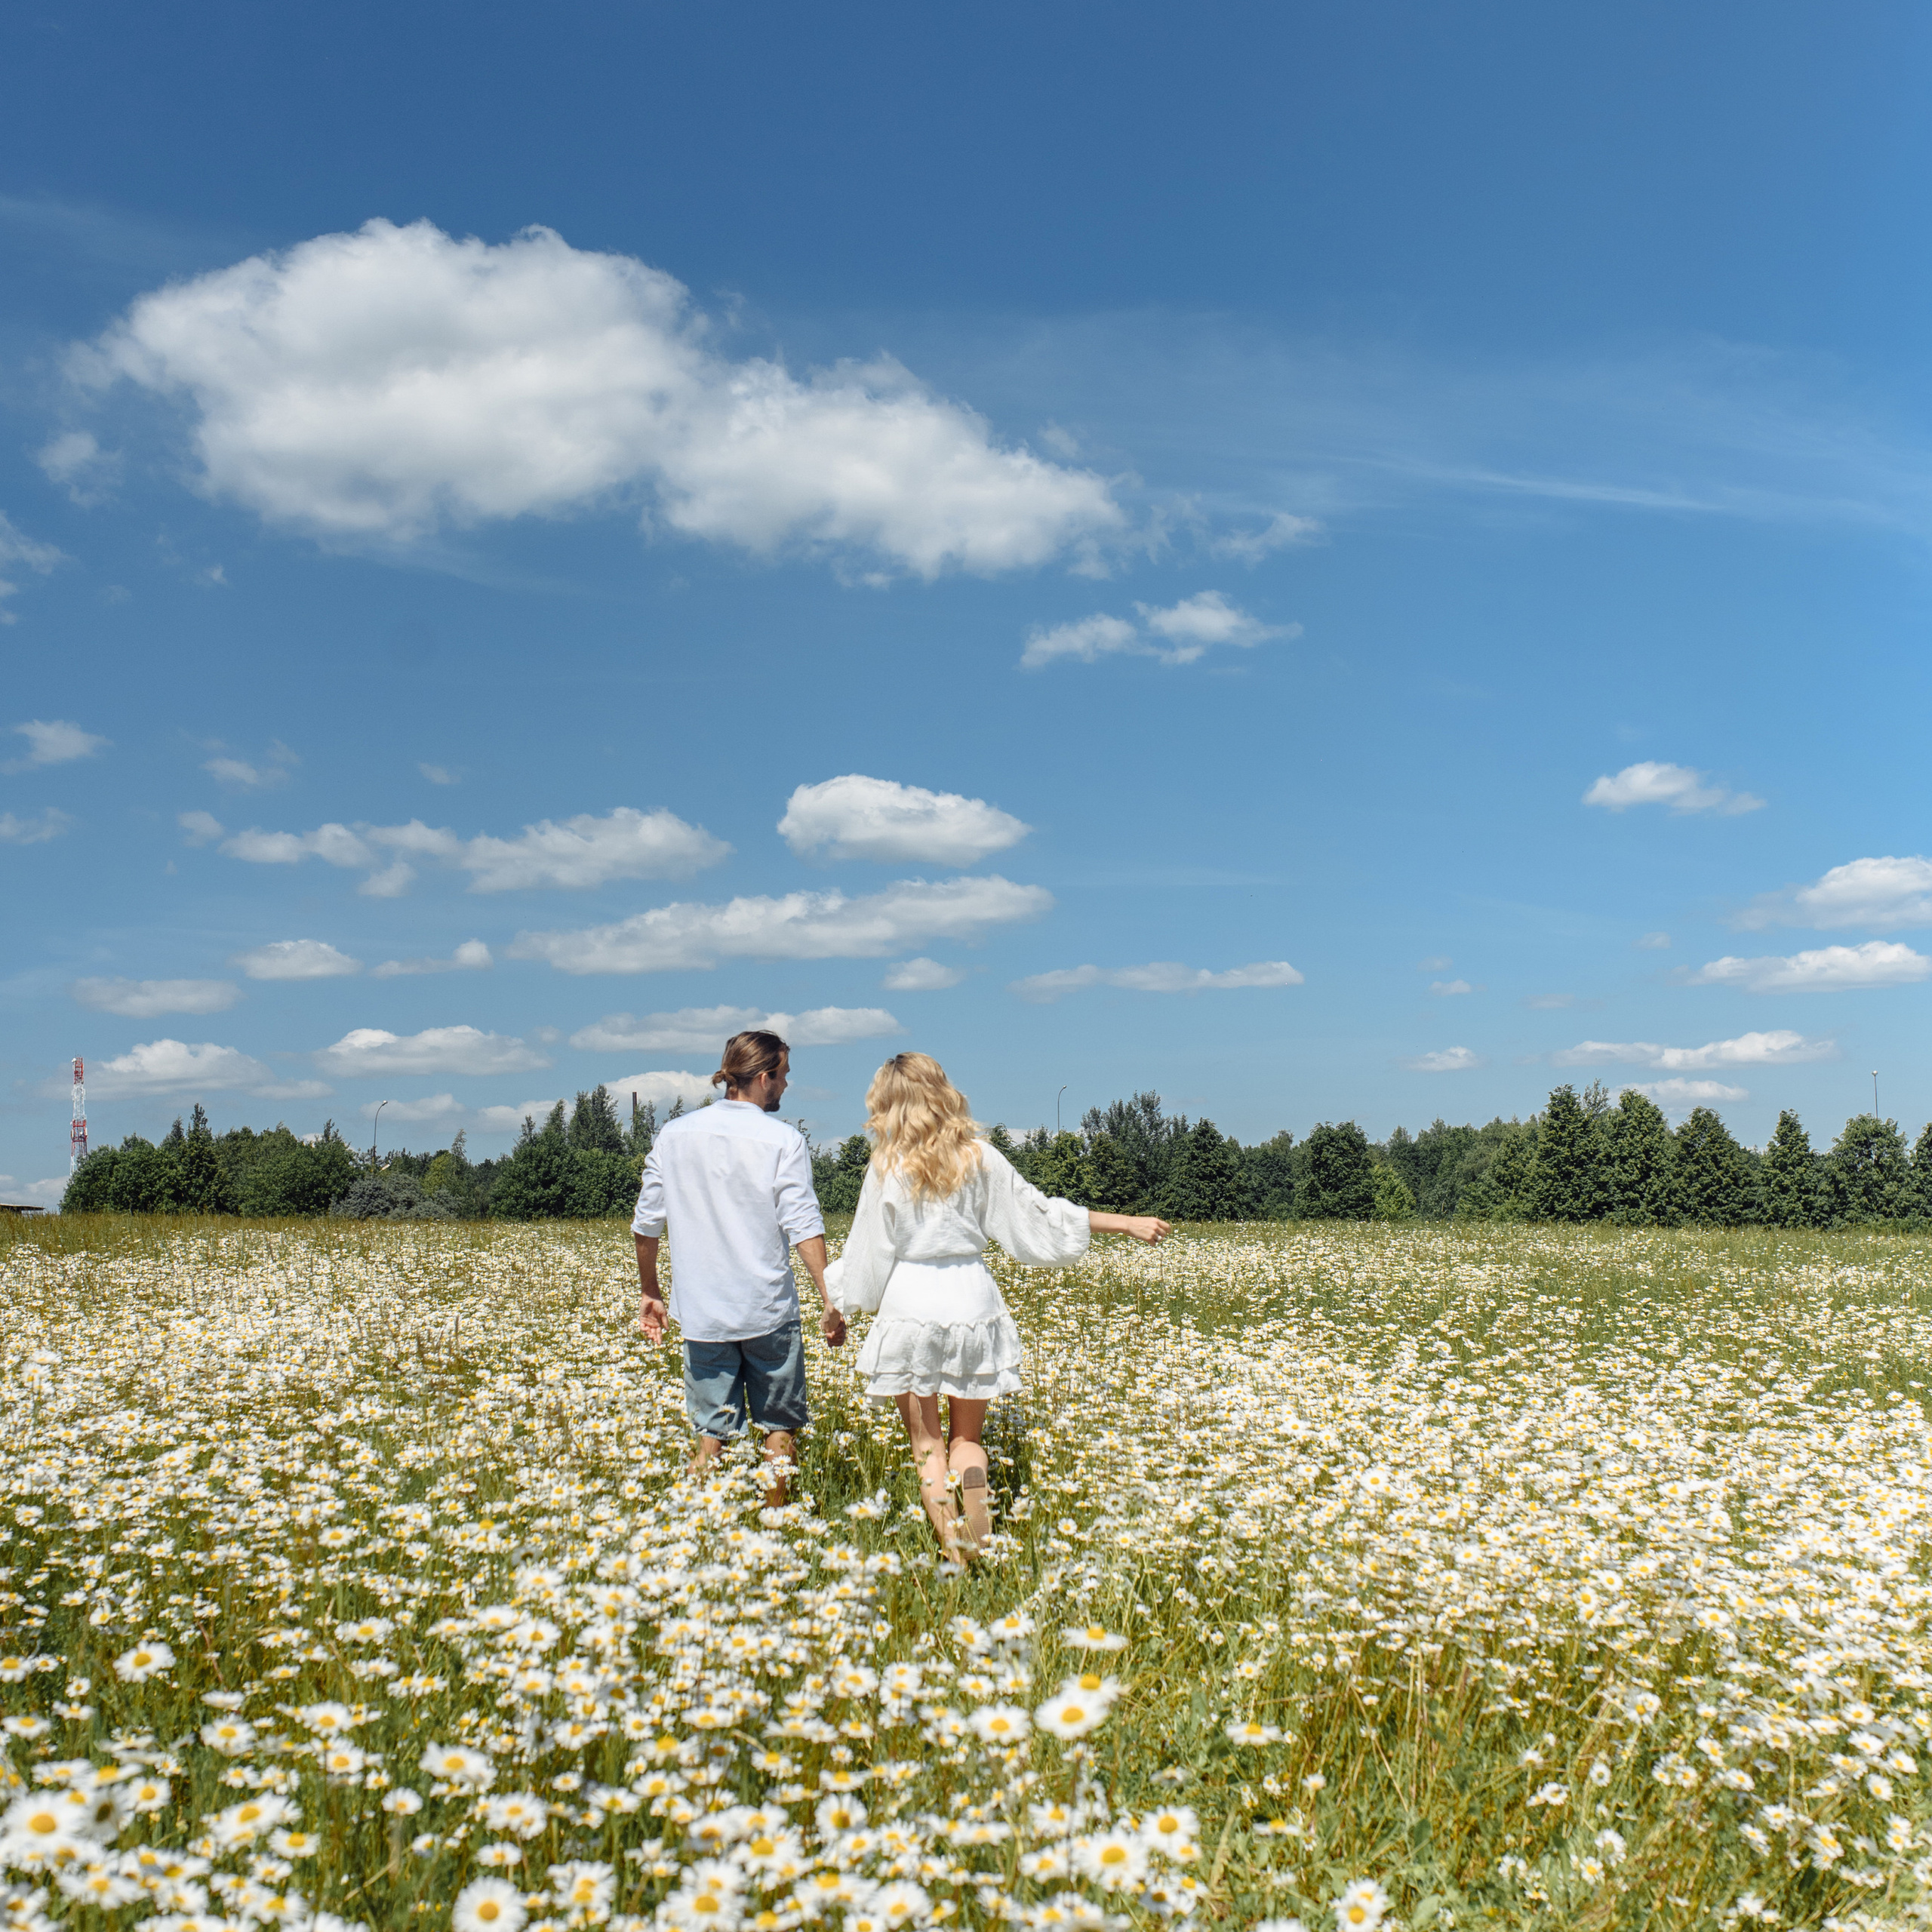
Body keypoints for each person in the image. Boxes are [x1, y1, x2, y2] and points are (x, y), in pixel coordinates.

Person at [832, 1052, 1170, 1559]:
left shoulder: (886, 1168)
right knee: (966, 1440)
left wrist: (840, 1304)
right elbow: (1037, 1215)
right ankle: (973, 1475)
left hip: (910, 1303)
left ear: (887, 1105)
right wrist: (1123, 1221)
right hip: (972, 1299)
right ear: (942, 1093)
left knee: (925, 1446)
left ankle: (953, 1545)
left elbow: (867, 1253)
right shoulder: (980, 1157)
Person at [632, 1029, 845, 1503]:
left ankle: (703, 1524)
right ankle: (777, 1522)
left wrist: (652, 1291)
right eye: (784, 1076)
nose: (787, 1085)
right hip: (768, 1310)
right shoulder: (782, 1140)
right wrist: (829, 1298)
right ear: (764, 1077)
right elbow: (803, 1224)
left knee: (712, 1433)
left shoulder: (674, 1135)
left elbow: (646, 1225)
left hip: (703, 1313)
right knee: (779, 1426)